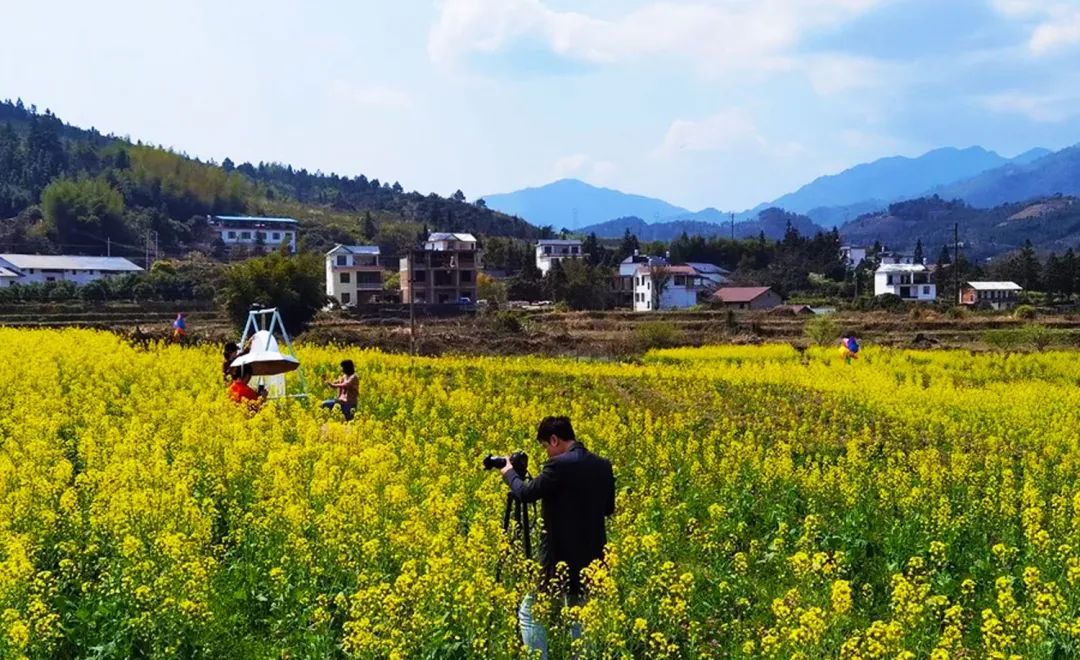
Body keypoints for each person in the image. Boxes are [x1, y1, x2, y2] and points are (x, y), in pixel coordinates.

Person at [497, 416, 616, 659]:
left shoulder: (558, 466)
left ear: (554, 439)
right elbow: (608, 509)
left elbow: (525, 493)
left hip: (558, 558)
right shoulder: (603, 465)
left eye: (545, 447)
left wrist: (509, 472)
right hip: (593, 558)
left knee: (529, 613)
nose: (547, 454)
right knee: (579, 616)